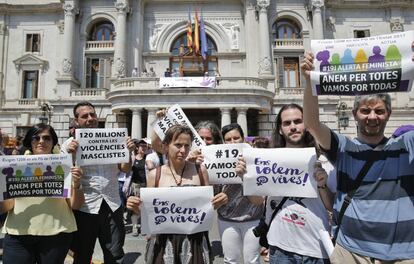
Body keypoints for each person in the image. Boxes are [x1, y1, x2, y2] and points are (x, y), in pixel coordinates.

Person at [301, 52, 414, 263]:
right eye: (366, 111)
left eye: (379, 111)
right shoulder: (344, 147)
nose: (372, 117)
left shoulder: (406, 144)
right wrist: (309, 81)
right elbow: (312, 124)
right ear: (354, 114)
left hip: (403, 255)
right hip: (351, 253)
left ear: (389, 114)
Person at [237, 105, 332, 264]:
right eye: (287, 123)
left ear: (306, 125)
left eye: (298, 121)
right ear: (280, 129)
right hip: (281, 248)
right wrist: (244, 179)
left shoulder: (323, 160)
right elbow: (258, 201)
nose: (293, 127)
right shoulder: (268, 161)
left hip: (316, 247)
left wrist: (322, 184)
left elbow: (330, 206)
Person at [127, 124, 220, 263]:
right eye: (178, 145)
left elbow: (207, 207)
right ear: (165, 146)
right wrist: (135, 207)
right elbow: (148, 212)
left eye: (187, 146)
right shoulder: (154, 175)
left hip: (195, 240)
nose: (183, 150)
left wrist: (218, 201)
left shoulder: (200, 171)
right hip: (164, 242)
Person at [61, 101, 136, 264]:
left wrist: (128, 152)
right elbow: (64, 176)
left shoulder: (114, 139)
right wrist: (70, 155)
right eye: (84, 116)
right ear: (76, 120)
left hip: (112, 204)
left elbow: (125, 168)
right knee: (82, 254)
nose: (90, 118)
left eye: (92, 114)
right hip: (85, 206)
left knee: (114, 253)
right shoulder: (68, 145)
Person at [1, 123, 84, 264]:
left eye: (46, 138)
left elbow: (75, 205)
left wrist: (77, 184)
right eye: (36, 138)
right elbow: (5, 207)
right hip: (18, 234)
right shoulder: (14, 166)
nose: (41, 141)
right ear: (30, 142)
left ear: (53, 142)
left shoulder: (64, 166)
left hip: (56, 235)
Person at [217, 123, 264, 264]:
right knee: (231, 260)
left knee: (252, 260)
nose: (233, 142)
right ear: (223, 142)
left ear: (243, 139)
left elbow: (259, 199)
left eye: (236, 138)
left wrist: (244, 177)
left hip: (253, 218)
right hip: (226, 219)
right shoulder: (216, 160)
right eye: (228, 139)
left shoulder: (256, 159)